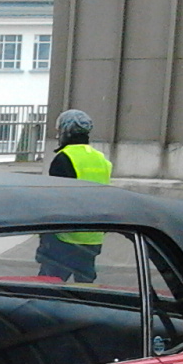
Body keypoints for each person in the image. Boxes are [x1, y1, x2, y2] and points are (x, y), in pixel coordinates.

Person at [36, 108, 112, 282]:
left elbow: (56, 200)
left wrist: (44, 236)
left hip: (66, 236)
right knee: (85, 284)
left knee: (50, 284)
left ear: (66, 130)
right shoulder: (101, 159)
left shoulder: (64, 158)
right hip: (93, 235)